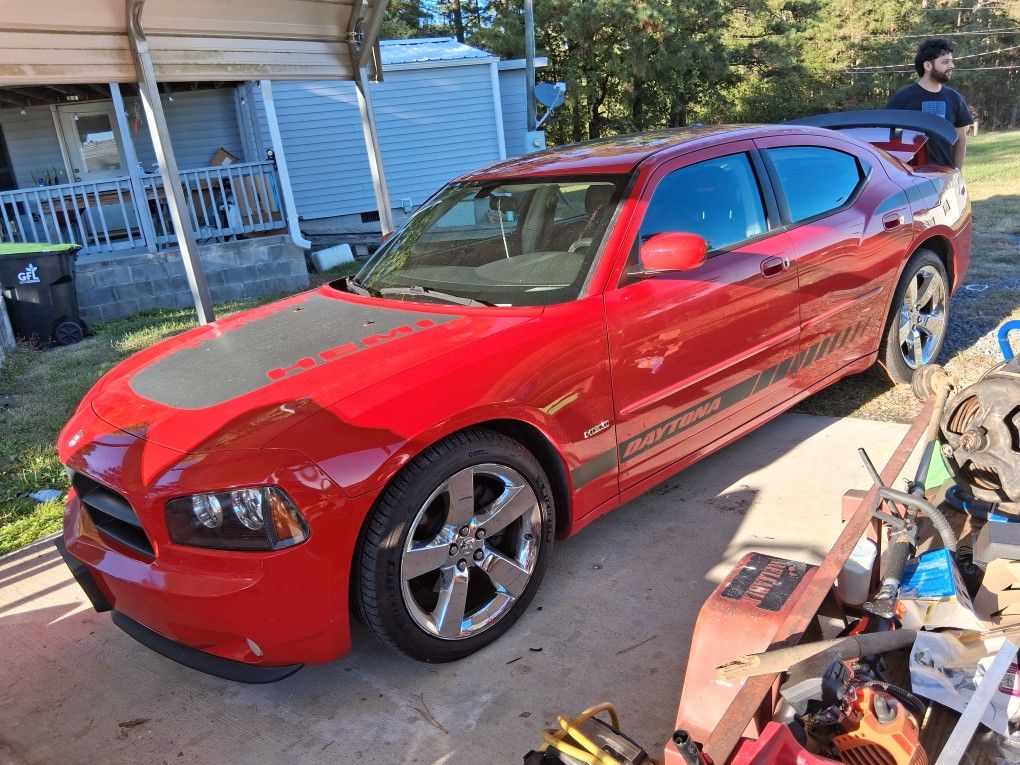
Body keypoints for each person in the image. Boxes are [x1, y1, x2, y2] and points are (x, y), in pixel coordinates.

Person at [886, 38, 974, 168]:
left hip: (944, 177)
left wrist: (957, 173)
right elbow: (892, 141)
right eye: (945, 62)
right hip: (911, 179)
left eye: (951, 61)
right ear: (928, 66)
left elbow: (960, 141)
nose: (951, 66)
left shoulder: (954, 98)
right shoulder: (903, 99)